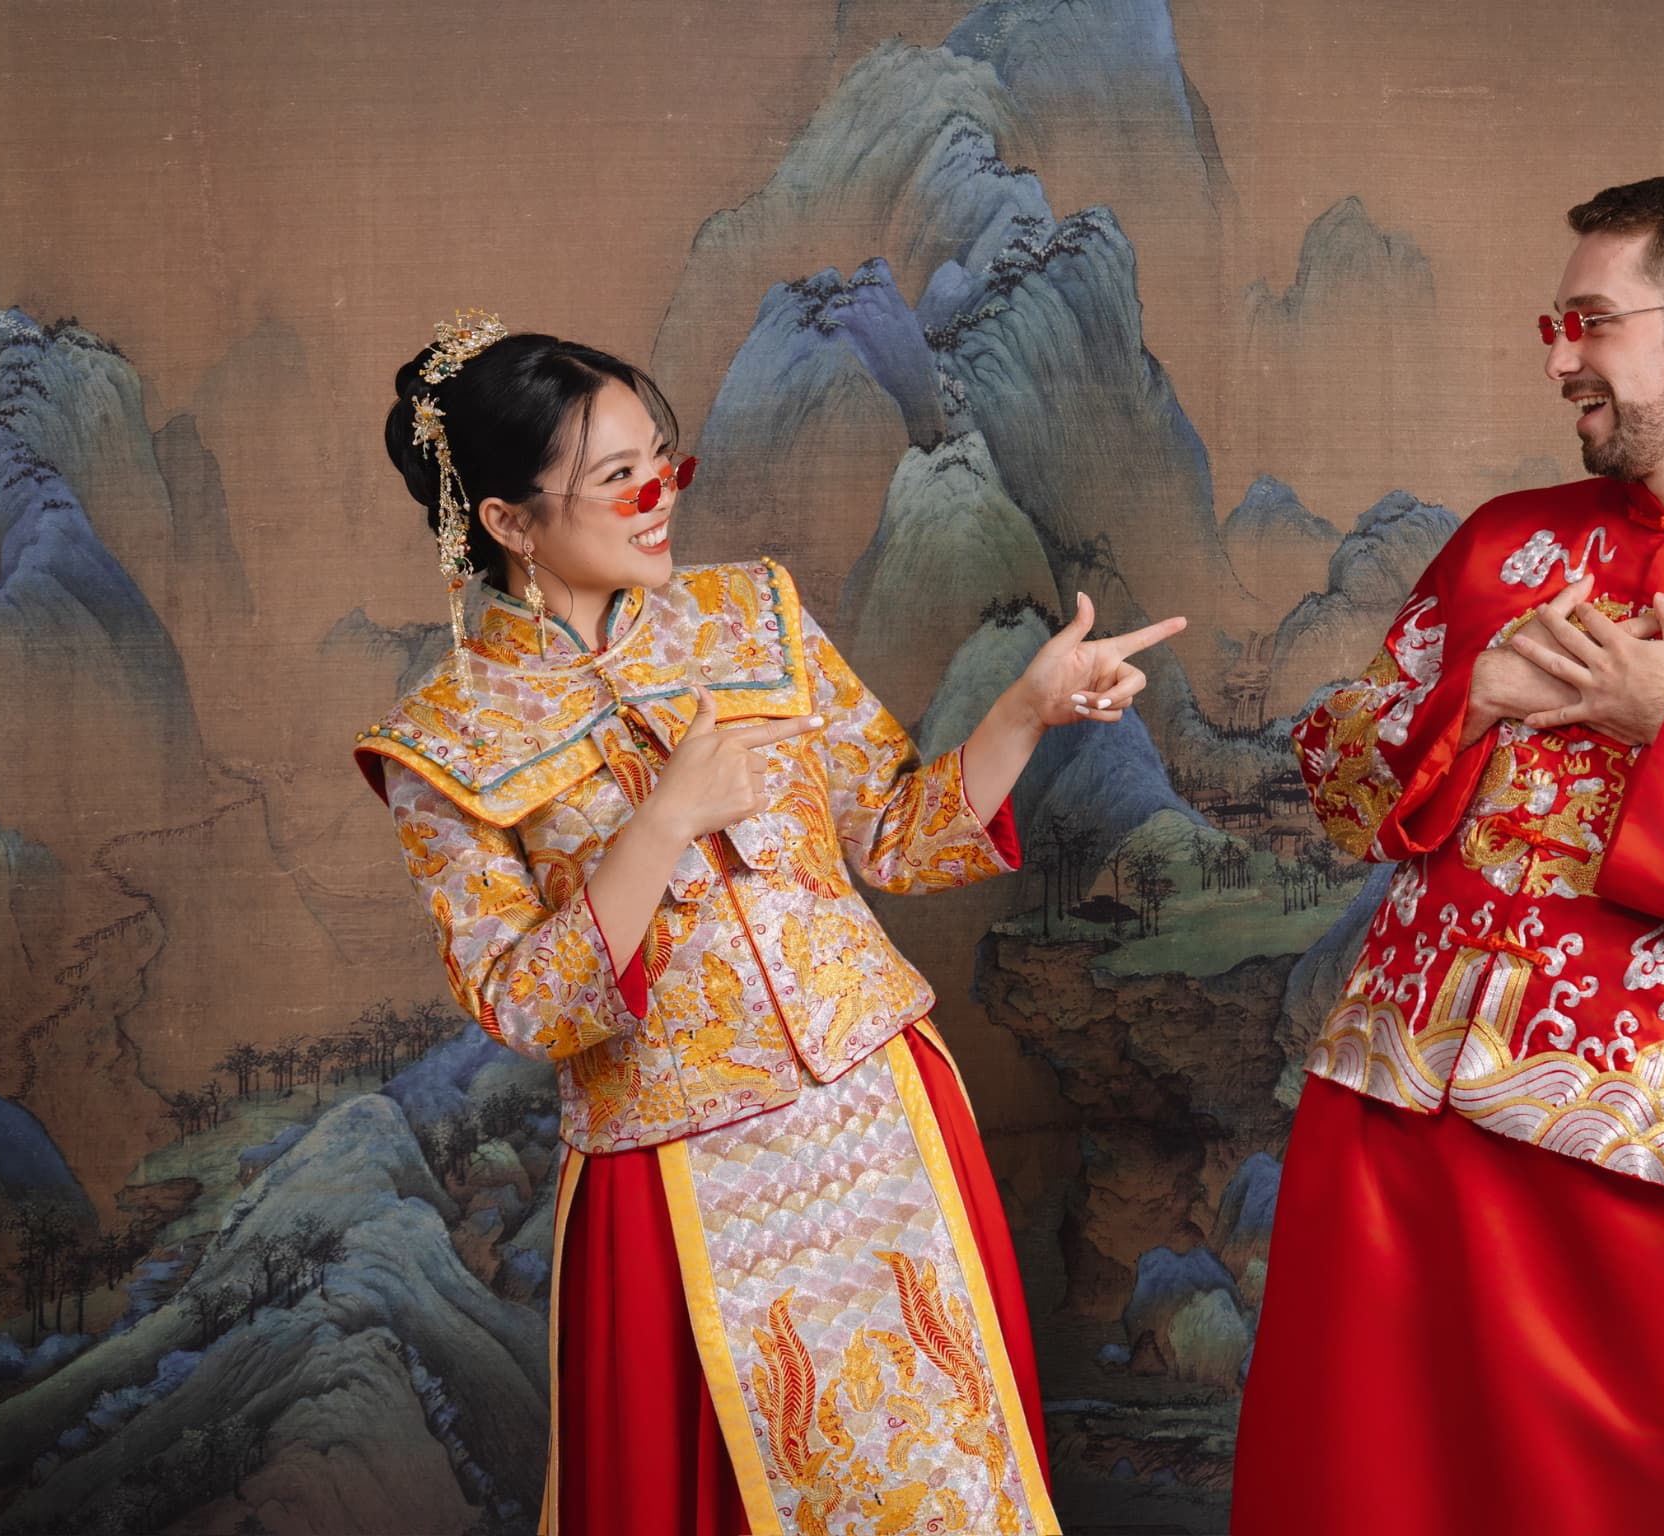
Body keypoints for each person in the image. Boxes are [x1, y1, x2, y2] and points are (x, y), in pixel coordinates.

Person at [354, 312, 1182, 1536]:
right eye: (614, 479)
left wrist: (1024, 710)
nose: (657, 499)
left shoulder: (756, 617)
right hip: (673, 1180)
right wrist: (660, 825)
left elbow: (899, 830)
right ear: (508, 523)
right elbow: (521, 1004)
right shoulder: (443, 742)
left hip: (881, 1118)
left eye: (662, 463)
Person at [1233, 175, 1664, 1533]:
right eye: (1550, 323)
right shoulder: (1502, 543)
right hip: (1376, 1112)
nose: (1560, 356)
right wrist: (1470, 701)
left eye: (1589, 321)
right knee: (1330, 1488)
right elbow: (1331, 789)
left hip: (1614, 1157)